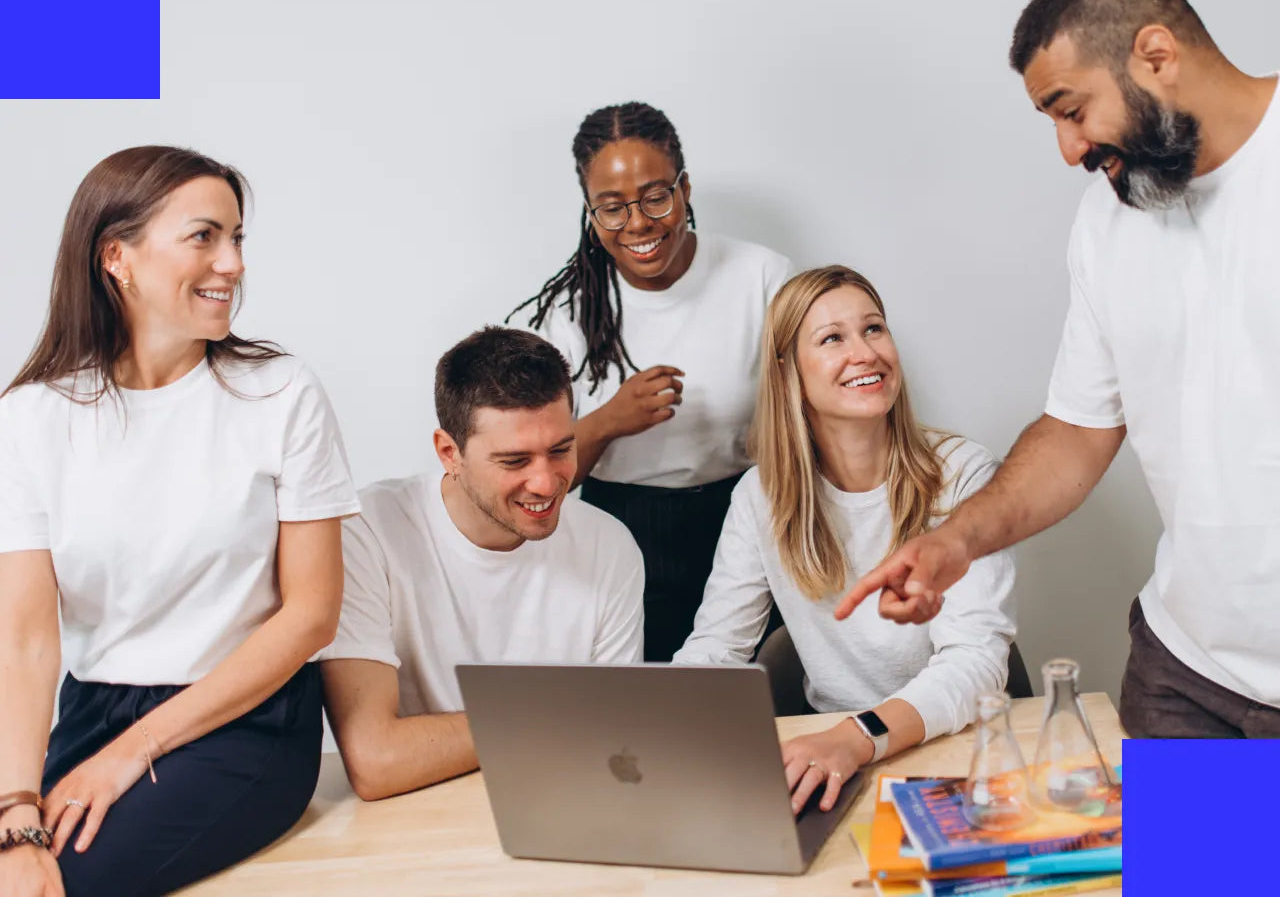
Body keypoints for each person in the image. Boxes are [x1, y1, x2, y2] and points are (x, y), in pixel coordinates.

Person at [836, 0, 1280, 740]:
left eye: (1071, 110)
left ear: (1155, 55)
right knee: (1202, 874)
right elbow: (1078, 432)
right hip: (1192, 681)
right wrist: (952, 542)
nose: (1068, 150)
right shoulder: (1109, 222)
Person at [0, 147, 359, 896]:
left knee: (71, 885)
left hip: (245, 721)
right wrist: (16, 811)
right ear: (116, 257)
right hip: (93, 710)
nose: (231, 262)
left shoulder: (280, 393)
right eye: (204, 237)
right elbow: (27, 641)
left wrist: (135, 750)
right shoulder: (33, 418)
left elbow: (311, 617)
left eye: (237, 239)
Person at [674, 266, 1016, 813]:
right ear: (788, 370)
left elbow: (975, 664)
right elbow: (718, 650)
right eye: (833, 338)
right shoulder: (760, 496)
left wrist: (856, 739)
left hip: (951, 748)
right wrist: (647, 725)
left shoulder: (964, 474)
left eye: (874, 329)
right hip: (835, 758)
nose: (865, 353)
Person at [511, 101, 794, 661]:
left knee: (761, 700)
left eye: (655, 197)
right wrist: (610, 421)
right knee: (648, 719)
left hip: (749, 518)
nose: (637, 224)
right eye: (612, 208)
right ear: (591, 214)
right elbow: (532, 479)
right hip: (621, 529)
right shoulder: (565, 315)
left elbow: (817, 418)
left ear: (684, 188)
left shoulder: (762, 277)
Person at [320, 327, 644, 801]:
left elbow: (613, 741)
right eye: (515, 461)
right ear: (449, 453)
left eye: (561, 449)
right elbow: (376, 762)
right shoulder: (366, 534)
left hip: (561, 797)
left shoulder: (610, 545)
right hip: (416, 812)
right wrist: (557, 712)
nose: (546, 482)